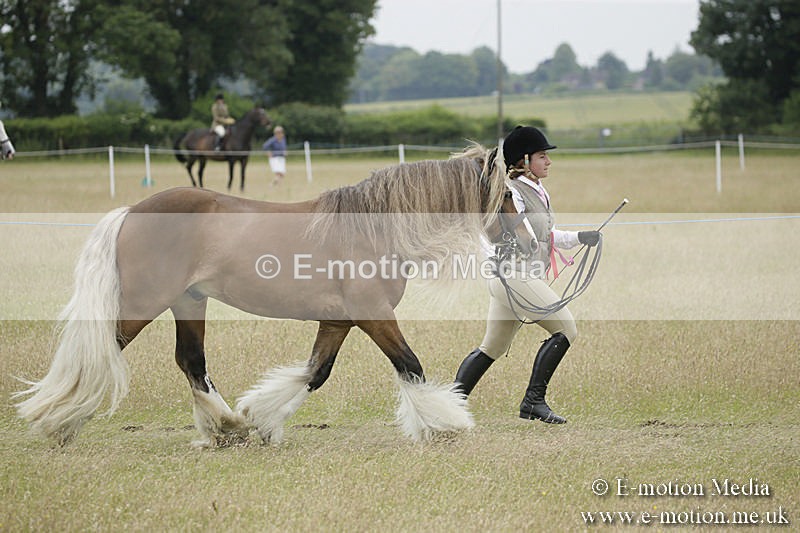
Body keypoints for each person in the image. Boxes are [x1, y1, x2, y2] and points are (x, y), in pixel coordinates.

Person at [454, 126, 601, 424]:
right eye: (542, 156)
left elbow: (542, 236)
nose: (548, 162)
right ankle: (533, 401)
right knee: (566, 329)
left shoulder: (537, 191)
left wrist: (579, 237)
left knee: (492, 347)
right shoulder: (512, 194)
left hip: (516, 277)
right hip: (514, 275)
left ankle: (448, 405)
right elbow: (494, 232)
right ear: (523, 160)